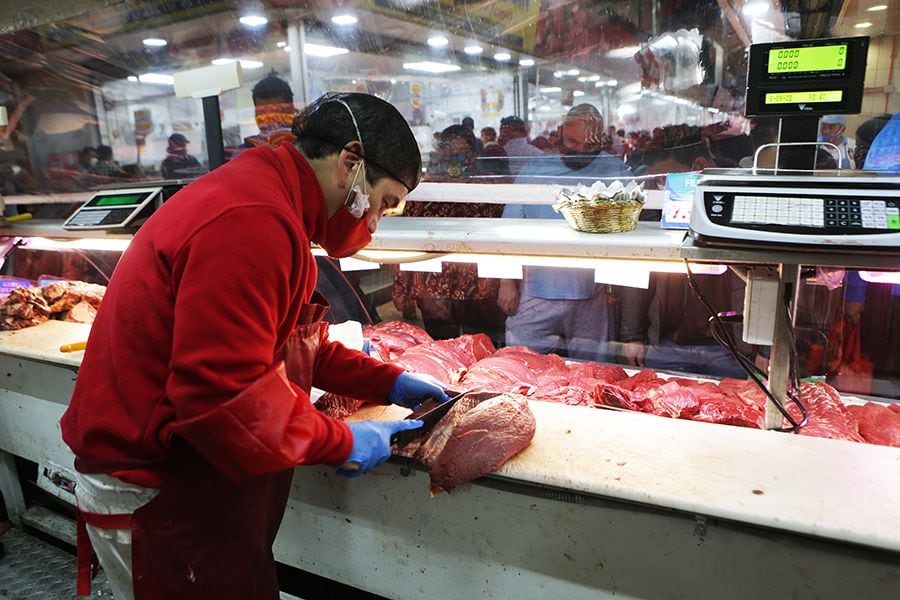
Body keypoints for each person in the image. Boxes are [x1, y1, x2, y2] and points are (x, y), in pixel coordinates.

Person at [60, 92, 450, 599]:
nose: (375, 223)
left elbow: (287, 342)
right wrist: (342, 441)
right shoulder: (252, 217)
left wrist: (387, 380)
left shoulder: (272, 202)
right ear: (350, 163)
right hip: (158, 492)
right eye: (383, 203)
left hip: (188, 479)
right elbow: (221, 393)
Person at [498, 103, 630, 360]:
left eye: (588, 145)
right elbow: (508, 229)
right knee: (520, 363)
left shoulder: (615, 169)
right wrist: (506, 282)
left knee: (594, 369)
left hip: (592, 292)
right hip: (536, 290)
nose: (580, 150)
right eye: (572, 142)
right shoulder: (535, 169)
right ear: (560, 134)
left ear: (600, 139)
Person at [393, 124, 505, 345]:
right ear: (441, 153)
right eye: (450, 153)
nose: (456, 160)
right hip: (433, 286)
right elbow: (405, 238)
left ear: (474, 154)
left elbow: (505, 239)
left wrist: (507, 284)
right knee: (442, 350)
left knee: (482, 348)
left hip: (480, 285)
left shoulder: (489, 188)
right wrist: (401, 287)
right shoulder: (424, 190)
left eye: (462, 153)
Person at [244, 71, 297, 149]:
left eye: (277, 114)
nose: (269, 120)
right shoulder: (247, 150)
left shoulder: (307, 147)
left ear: (292, 111)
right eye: (262, 114)